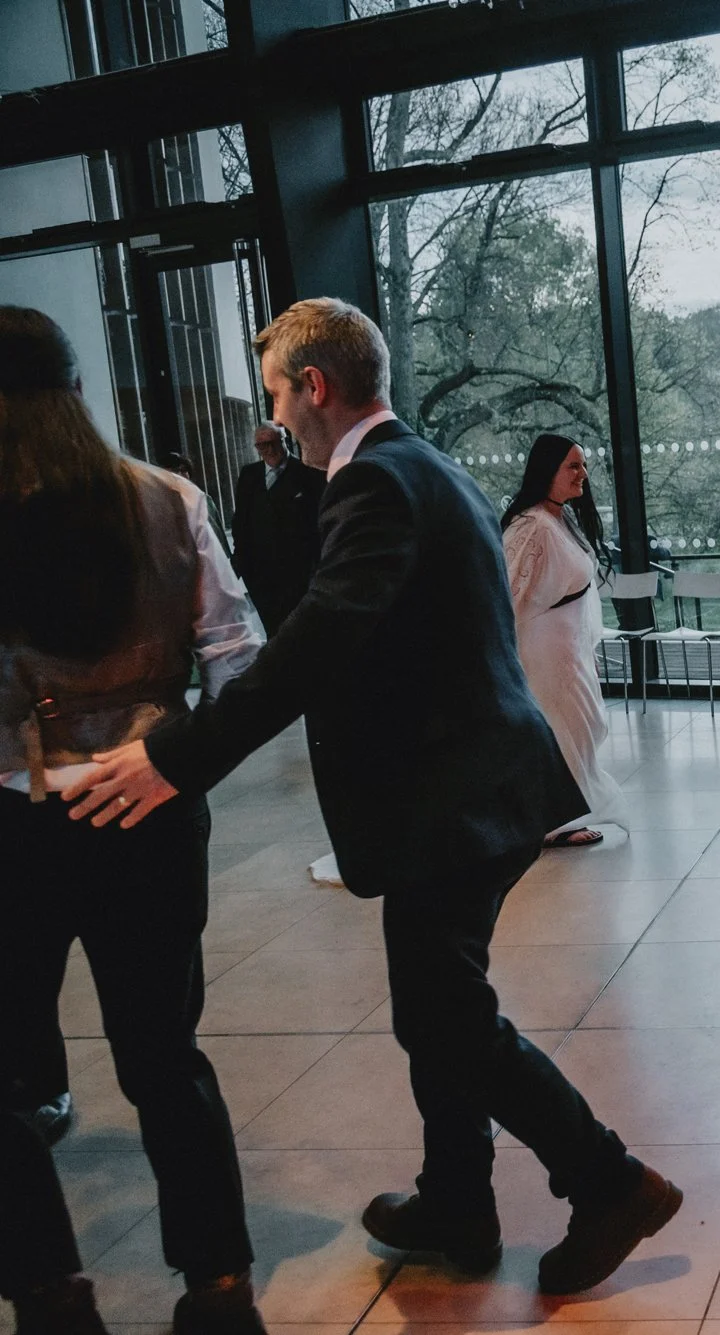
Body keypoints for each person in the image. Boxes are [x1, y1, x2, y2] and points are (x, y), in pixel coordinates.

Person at [66, 297, 681, 1298]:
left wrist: (175, 756)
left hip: (455, 800)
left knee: (443, 1020)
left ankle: (607, 1183)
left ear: (314, 387)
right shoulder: (420, 465)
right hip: (465, 792)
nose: (272, 416)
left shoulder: (380, 485)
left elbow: (315, 643)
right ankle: (456, 1205)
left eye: (275, 393)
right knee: (439, 1010)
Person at [0, 306, 268, 1335]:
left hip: (14, 827)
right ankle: (220, 1289)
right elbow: (240, 656)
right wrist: (169, 753)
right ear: (78, 392)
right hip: (151, 812)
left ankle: (49, 1291)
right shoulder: (170, 499)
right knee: (164, 1056)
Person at [500, 433, 625, 849]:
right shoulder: (530, 527)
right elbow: (508, 592)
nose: (583, 474)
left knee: (579, 726)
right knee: (560, 728)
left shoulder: (559, 519)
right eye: (574, 466)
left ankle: (563, 813)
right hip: (544, 651)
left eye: (583, 465)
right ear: (547, 471)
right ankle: (554, 822)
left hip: (568, 650)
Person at [231, 422, 324, 634]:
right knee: (273, 630)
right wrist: (241, 560)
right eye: (262, 446)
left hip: (297, 575)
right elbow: (240, 521)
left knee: (299, 632)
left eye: (274, 443)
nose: (269, 450)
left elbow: (316, 526)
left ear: (285, 441)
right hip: (259, 574)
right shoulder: (249, 476)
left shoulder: (308, 474)